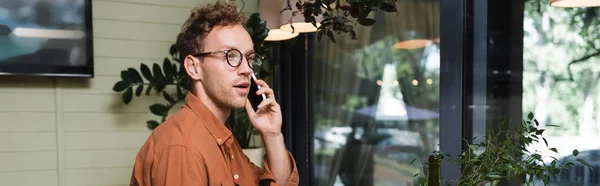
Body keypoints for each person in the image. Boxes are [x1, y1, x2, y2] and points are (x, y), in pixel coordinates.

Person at [129, 2, 299, 186]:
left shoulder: (223, 139)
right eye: (230, 55)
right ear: (194, 68)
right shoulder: (182, 148)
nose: (246, 69)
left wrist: (272, 134)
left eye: (249, 58)